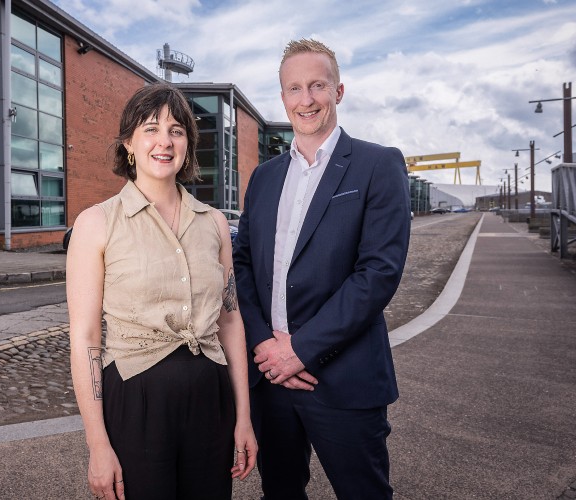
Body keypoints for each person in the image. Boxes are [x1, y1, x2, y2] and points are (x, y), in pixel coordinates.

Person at [233, 39, 411, 498]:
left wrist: (301, 350)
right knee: (281, 492)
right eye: (294, 88)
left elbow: (378, 273)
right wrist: (266, 348)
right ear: (283, 98)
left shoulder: (378, 164)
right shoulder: (265, 176)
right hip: (270, 378)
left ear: (339, 90)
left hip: (343, 379)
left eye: (317, 85)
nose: (306, 99)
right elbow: (243, 264)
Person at [67, 83, 257, 500]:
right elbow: (85, 339)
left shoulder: (215, 224)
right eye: (151, 128)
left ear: (188, 144)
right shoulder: (97, 223)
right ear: (128, 143)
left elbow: (230, 320)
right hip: (135, 402)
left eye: (177, 130)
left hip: (210, 399)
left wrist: (244, 416)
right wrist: (98, 445)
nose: (164, 141)